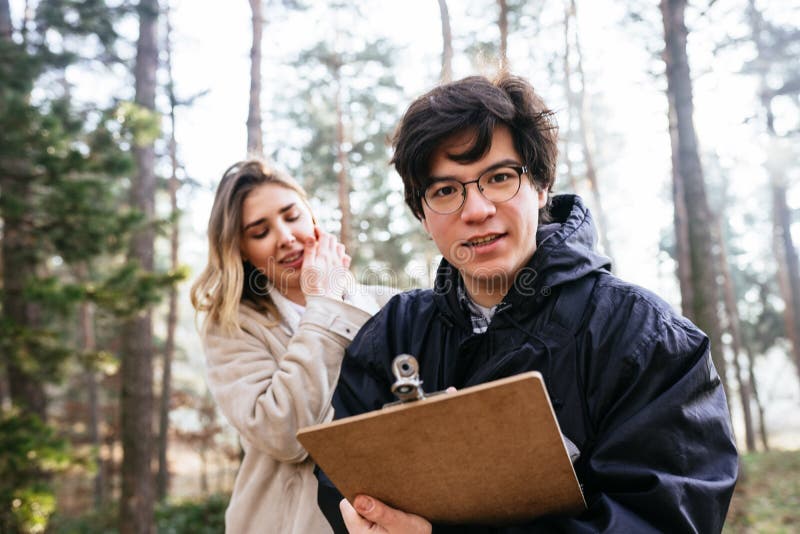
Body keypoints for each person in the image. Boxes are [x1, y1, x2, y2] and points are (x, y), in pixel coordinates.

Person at [316, 73, 738, 533]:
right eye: (445, 191)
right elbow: (340, 479)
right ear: (423, 215)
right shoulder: (394, 332)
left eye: (499, 178)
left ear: (539, 187)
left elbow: (667, 520)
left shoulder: (644, 336)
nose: (475, 210)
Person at [190, 159, 396, 534]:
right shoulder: (233, 328)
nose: (285, 236)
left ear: (312, 217)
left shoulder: (388, 305)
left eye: (291, 215)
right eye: (260, 231)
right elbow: (286, 436)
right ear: (241, 250)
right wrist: (324, 306)